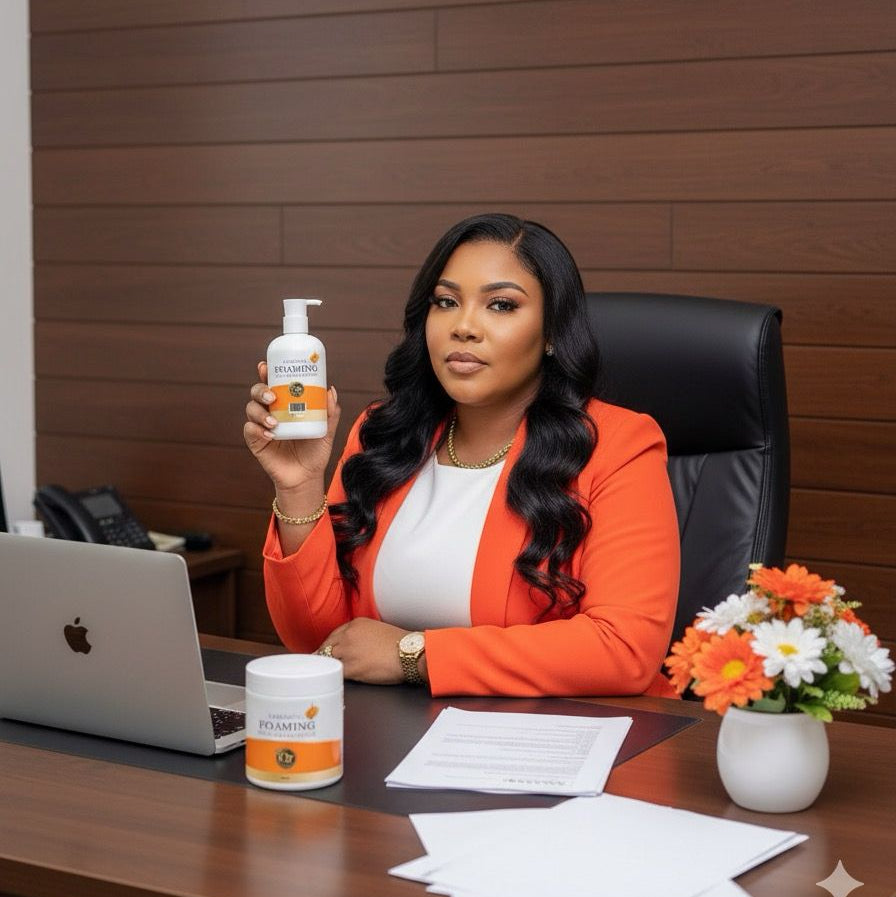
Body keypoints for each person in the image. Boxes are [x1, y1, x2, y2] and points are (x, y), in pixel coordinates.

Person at [244, 213, 680, 697]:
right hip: (397, 729)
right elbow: (321, 642)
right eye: (446, 302)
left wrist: (414, 654)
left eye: (501, 305)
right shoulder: (385, 434)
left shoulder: (620, 444)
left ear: (552, 332)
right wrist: (299, 485)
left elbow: (624, 648)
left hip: (566, 733)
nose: (464, 327)